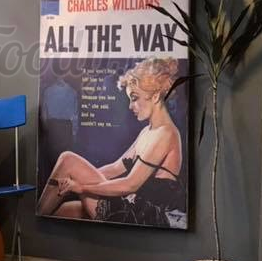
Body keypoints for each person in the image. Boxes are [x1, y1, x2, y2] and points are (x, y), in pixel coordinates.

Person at [36, 58, 185, 227]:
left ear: (156, 96)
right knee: (63, 210)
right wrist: (74, 177)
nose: (130, 106)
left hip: (141, 215)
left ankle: (34, 227)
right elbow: (115, 168)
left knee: (68, 159)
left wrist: (82, 186)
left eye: (134, 98)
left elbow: (130, 185)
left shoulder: (166, 133)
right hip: (132, 206)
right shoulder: (147, 132)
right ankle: (40, 229)